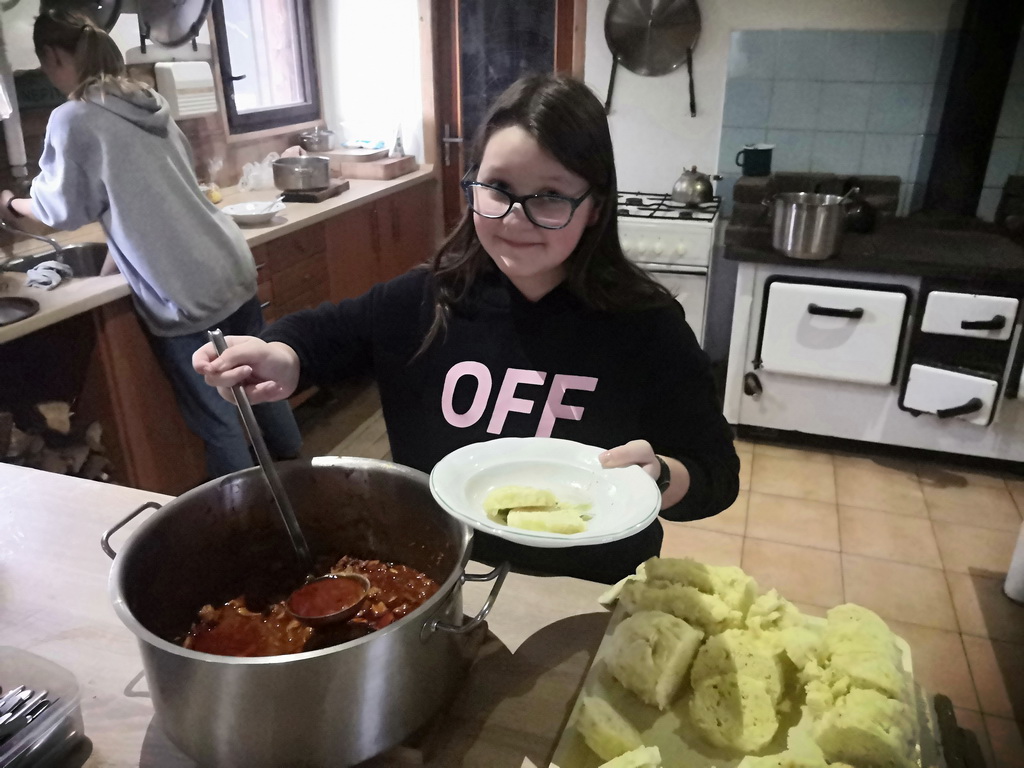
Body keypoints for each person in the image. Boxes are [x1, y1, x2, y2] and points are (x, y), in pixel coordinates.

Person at [193, 73, 739, 584]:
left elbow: (716, 473)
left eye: (550, 195)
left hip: (588, 594)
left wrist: (662, 476)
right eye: (498, 187)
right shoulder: (424, 300)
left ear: (594, 206)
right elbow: (324, 335)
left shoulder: (646, 328)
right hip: (443, 581)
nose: (516, 216)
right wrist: (282, 356)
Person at [1, 10, 302, 480]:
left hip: (184, 290)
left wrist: (11, 204)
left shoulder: (74, 117)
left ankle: (250, 516)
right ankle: (302, 478)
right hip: (228, 263)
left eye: (46, 65)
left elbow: (59, 210)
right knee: (261, 384)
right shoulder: (146, 100)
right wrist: (111, 266)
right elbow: (135, 206)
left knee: (218, 418)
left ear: (55, 56)